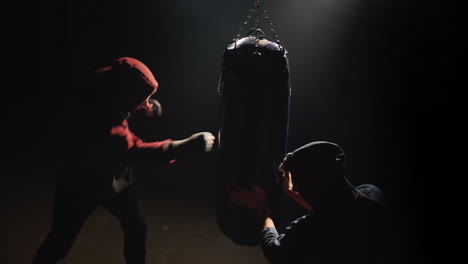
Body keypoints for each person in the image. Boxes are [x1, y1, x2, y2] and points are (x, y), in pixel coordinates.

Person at [33, 57, 215, 264]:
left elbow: (118, 103)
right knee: (60, 242)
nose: (146, 102)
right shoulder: (100, 122)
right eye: (141, 98)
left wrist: (142, 107)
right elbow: (133, 151)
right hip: (79, 186)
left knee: (136, 225)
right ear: (125, 96)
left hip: (113, 180)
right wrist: (183, 145)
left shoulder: (105, 81)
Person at [228, 141, 385, 264]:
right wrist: (292, 192)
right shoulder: (371, 194)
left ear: (315, 185)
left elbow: (275, 252)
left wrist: (262, 209)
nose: (295, 186)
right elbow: (336, 210)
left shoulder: (309, 230)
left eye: (299, 183)